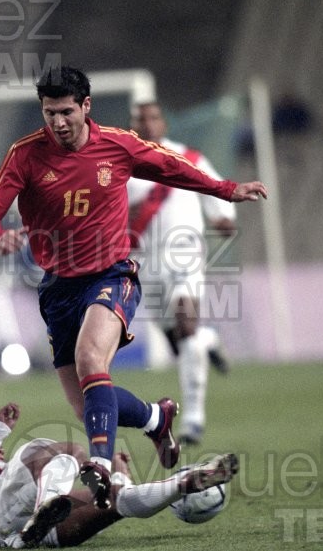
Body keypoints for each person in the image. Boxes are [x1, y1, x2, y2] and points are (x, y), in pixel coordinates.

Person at [0, 66, 266, 508]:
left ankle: (103, 465)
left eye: (66, 111)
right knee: (87, 404)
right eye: (49, 113)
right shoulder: (25, 155)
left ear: (86, 106)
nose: (58, 122)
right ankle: (155, 418)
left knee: (93, 359)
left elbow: (171, 167)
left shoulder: (117, 145)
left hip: (113, 275)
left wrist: (226, 191)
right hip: (57, 290)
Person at [0, 402, 239, 548]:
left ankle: (185, 483)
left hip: (14, 534)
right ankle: (49, 503)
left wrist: (119, 471)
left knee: (114, 503)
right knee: (67, 451)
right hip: (0, 513)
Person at [127, 102, 237, 446]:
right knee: (180, 341)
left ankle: (193, 419)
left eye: (153, 117)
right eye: (140, 119)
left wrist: (223, 220)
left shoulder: (190, 158)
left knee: (185, 322)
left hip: (185, 254)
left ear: (164, 122)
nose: (147, 123)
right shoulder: (121, 166)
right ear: (133, 124)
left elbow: (219, 197)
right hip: (145, 263)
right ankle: (208, 340)